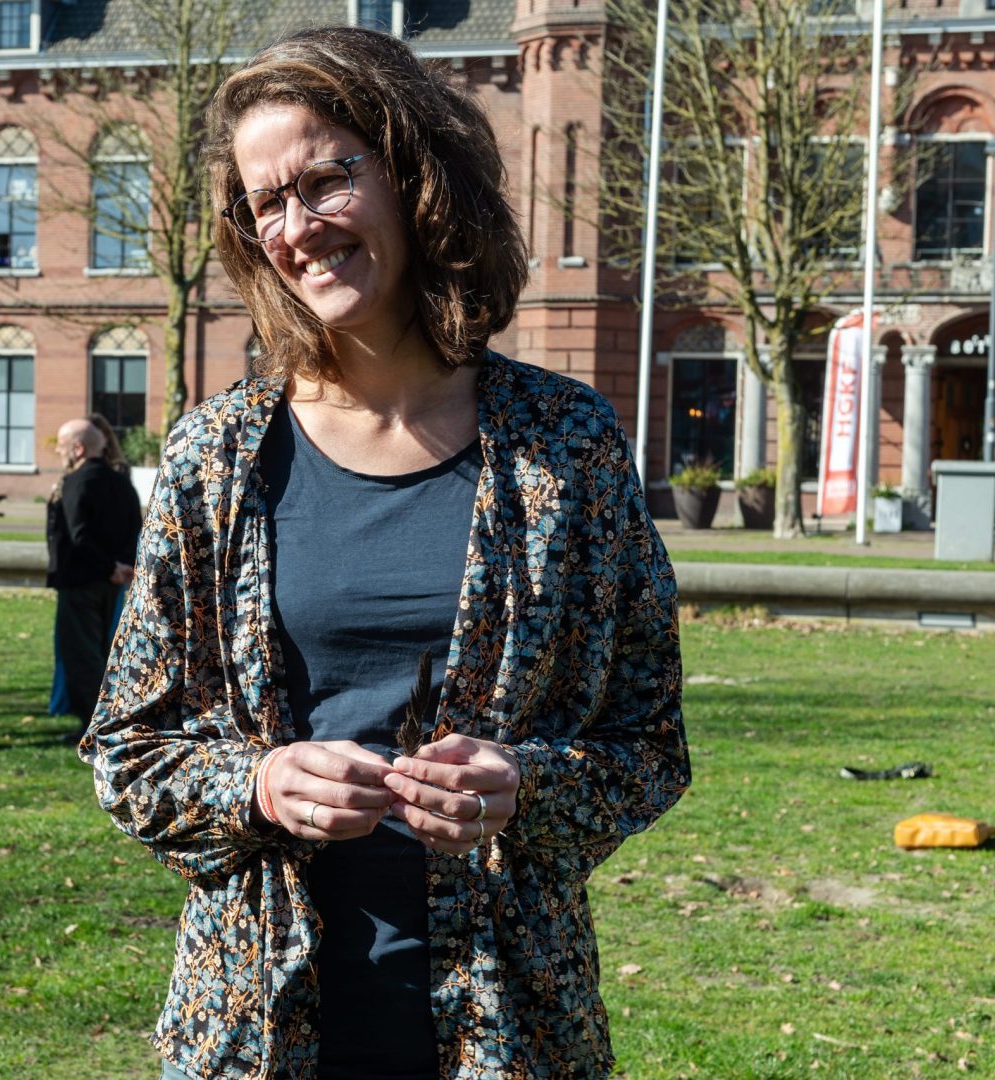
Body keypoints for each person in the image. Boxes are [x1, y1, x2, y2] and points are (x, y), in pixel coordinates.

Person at [80, 26, 689, 1080]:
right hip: (255, 1030)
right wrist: (260, 784)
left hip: (508, 1023)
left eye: (326, 180)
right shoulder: (213, 459)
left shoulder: (566, 445)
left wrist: (525, 785)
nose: (297, 228)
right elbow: (127, 751)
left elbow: (648, 746)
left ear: (416, 176)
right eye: (266, 204)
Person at [46, 418, 143, 725]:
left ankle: (93, 726)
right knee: (104, 653)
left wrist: (109, 566)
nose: (58, 451)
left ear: (78, 448)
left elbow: (78, 535)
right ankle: (106, 720)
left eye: (62, 445)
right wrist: (123, 566)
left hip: (82, 580)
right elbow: (135, 527)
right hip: (113, 581)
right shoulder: (121, 482)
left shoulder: (76, 482)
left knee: (82, 655)